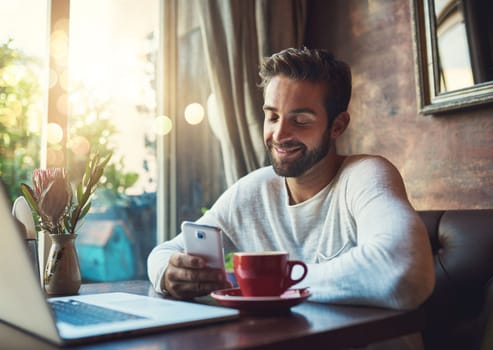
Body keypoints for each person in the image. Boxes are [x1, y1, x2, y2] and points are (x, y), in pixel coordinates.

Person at [147, 47, 434, 349]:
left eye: (300, 120)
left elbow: (405, 272)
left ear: (337, 125)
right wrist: (168, 273)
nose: (279, 134)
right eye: (272, 116)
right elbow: (165, 251)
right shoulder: (254, 190)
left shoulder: (365, 175)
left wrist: (273, 283)